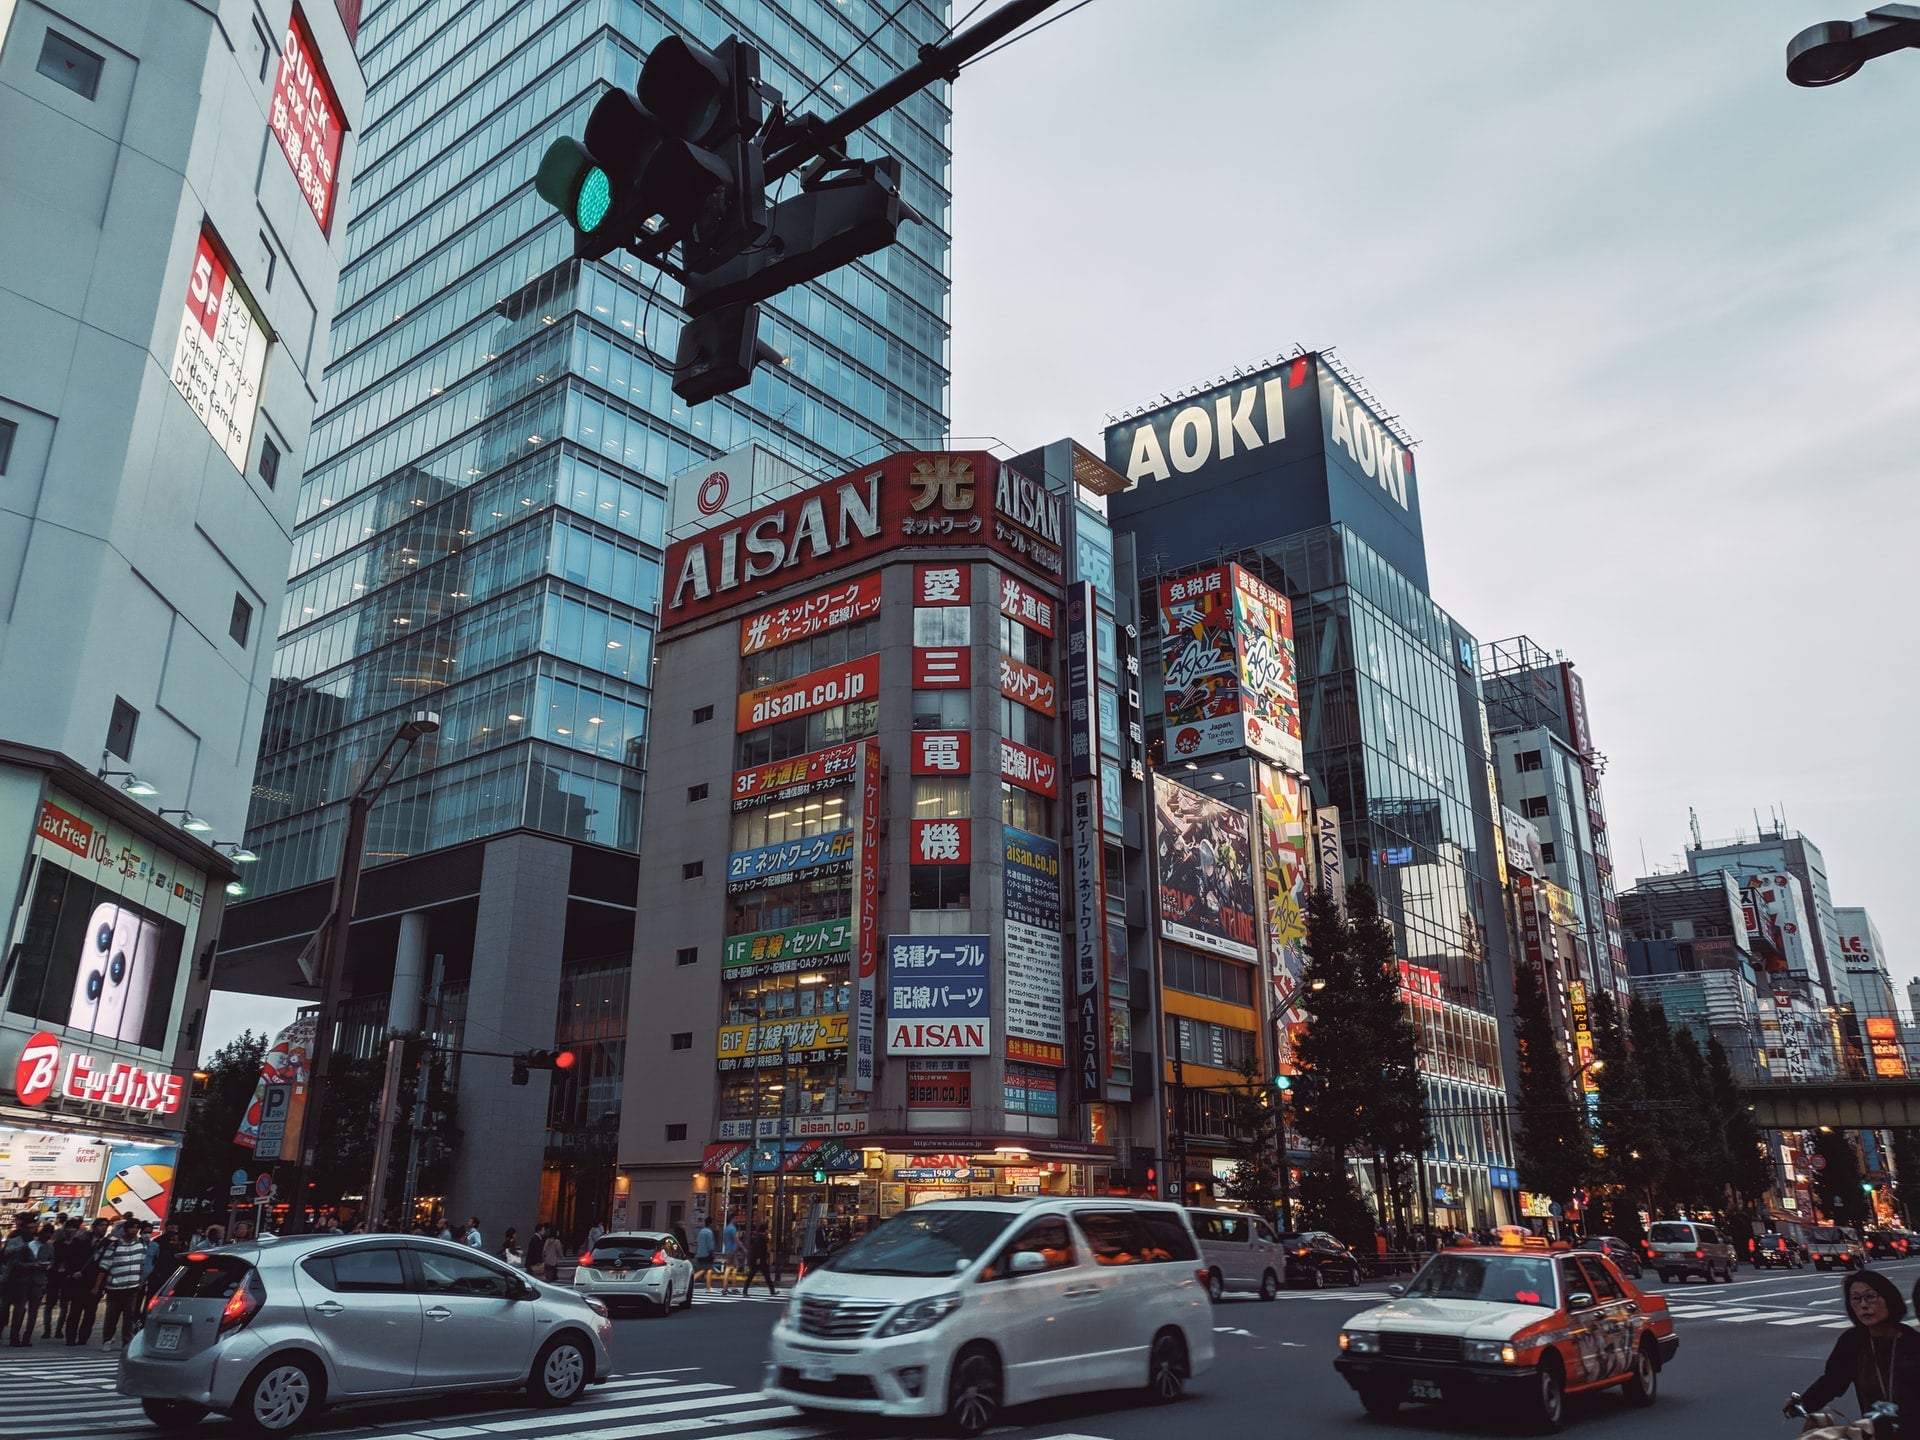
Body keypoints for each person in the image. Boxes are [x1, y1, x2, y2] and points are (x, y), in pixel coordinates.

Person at [1785, 1269, 1920, 1436]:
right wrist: (1804, 1403)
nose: (1863, 1305)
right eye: (1856, 1299)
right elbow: (1833, 1381)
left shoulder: (1912, 1342)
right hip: (1873, 1432)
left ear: (1889, 1299)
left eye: (1870, 1297)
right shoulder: (1853, 1341)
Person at [97, 1221, 148, 1351]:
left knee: (129, 1316)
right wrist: (97, 1286)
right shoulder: (115, 1245)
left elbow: (141, 1265)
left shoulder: (140, 1245)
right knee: (112, 1315)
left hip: (132, 1286)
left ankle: (126, 1342)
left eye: (136, 1228)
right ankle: (107, 1340)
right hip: (115, 1286)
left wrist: (141, 1281)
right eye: (132, 1228)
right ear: (126, 1229)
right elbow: (104, 1267)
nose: (134, 1230)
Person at [745, 1228, 775, 1297]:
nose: (768, 1231)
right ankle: (772, 1291)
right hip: (759, 1260)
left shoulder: (758, 1238)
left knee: (752, 1275)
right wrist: (758, 1258)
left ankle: (745, 1290)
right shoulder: (762, 1239)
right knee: (765, 1276)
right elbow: (759, 1249)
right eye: (767, 1230)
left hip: (758, 1259)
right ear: (765, 1231)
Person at [693, 1218, 716, 1293]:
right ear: (710, 1224)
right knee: (705, 1269)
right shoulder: (709, 1232)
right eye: (712, 1223)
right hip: (707, 1253)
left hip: (700, 1253)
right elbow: (710, 1244)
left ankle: (708, 1287)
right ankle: (707, 1287)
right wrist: (712, 1252)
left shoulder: (702, 1231)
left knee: (706, 1269)